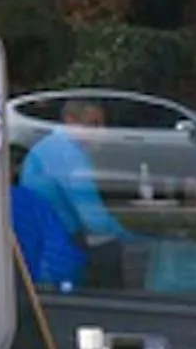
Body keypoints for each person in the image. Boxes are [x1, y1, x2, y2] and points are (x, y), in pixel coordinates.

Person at [17, 97, 131, 290]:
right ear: (70, 122)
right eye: (93, 124)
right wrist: (130, 235)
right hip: (55, 242)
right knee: (110, 252)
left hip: (38, 237)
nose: (101, 132)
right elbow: (94, 219)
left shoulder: (53, 146)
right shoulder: (69, 153)